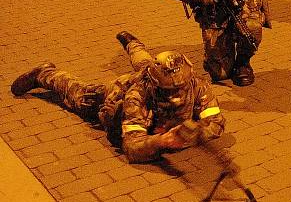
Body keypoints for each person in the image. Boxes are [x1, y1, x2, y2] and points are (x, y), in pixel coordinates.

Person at [10, 31, 225, 164]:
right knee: (80, 96)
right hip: (115, 92)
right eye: (170, 91)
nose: (177, 94)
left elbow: (216, 123)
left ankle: (133, 44)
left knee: (145, 62)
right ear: (156, 84)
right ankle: (45, 74)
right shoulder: (136, 96)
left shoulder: (196, 84)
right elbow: (132, 146)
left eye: (181, 87)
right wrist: (161, 141)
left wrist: (198, 132)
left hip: (149, 72)